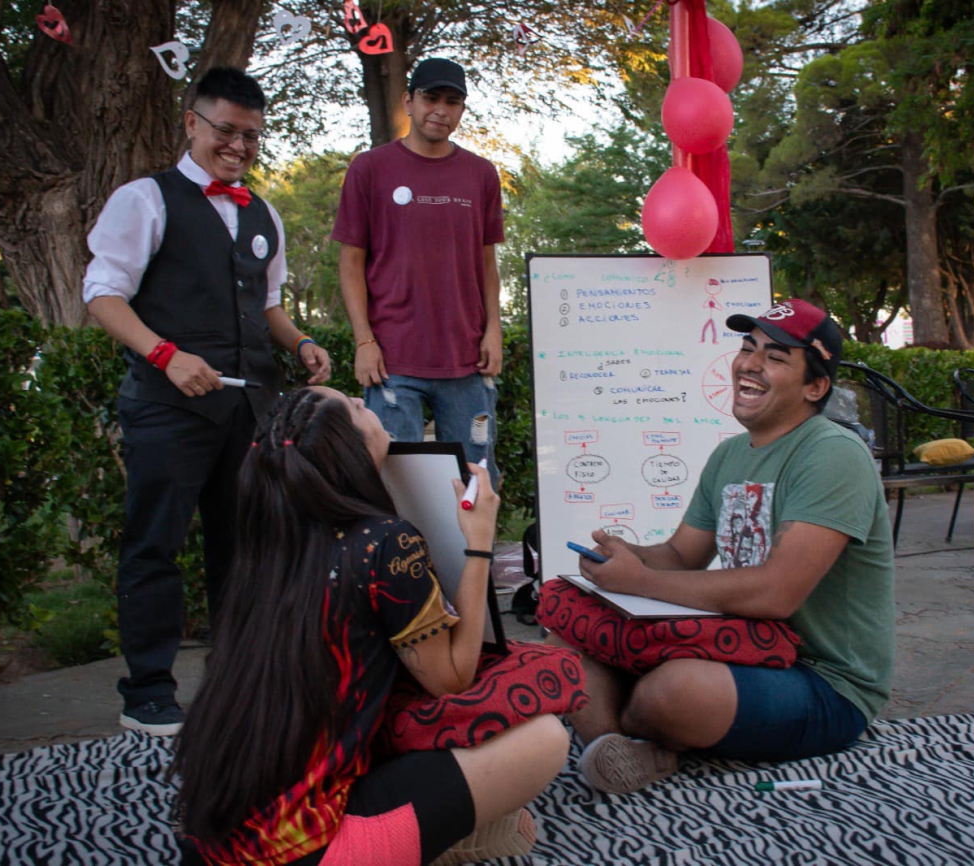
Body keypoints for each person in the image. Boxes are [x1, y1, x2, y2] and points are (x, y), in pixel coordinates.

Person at [172, 387, 568, 866]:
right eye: (357, 407)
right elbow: (452, 678)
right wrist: (479, 541)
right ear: (349, 448)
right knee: (546, 738)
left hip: (211, 840)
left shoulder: (268, 540)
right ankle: (429, 844)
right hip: (308, 851)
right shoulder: (382, 543)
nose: (367, 405)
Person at [551, 299, 895, 794]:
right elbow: (679, 557)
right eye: (747, 348)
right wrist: (626, 555)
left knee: (672, 691)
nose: (750, 365)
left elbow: (776, 593)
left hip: (825, 683)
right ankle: (617, 749)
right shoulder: (729, 454)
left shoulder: (834, 454)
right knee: (565, 640)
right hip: (742, 651)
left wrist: (641, 581)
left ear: (815, 387)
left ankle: (639, 723)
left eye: (776, 357)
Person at [82, 67, 331, 736]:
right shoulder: (144, 199)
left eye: (251, 136)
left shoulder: (263, 213)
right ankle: (147, 692)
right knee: (154, 546)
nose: (238, 147)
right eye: (226, 130)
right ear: (192, 123)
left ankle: (236, 684)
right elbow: (102, 294)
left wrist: (302, 342)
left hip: (248, 411)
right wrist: (164, 354)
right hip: (166, 408)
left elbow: (268, 306)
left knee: (244, 550)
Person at [332, 57, 504, 488]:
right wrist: (364, 341)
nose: (440, 110)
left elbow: (486, 262)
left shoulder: (481, 175)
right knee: (394, 482)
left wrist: (493, 329)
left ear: (462, 110)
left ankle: (470, 539)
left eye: (453, 101)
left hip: (466, 359)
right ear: (409, 102)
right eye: (431, 98)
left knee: (476, 479)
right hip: (392, 360)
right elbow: (351, 262)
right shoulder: (369, 168)